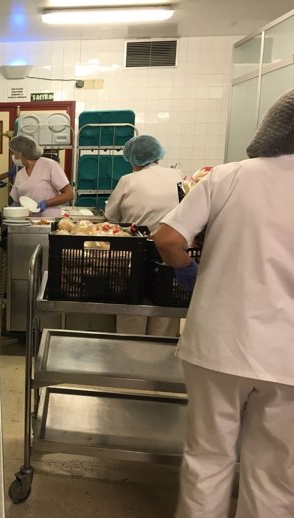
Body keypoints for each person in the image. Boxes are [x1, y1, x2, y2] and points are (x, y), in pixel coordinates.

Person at [153, 88, 294, 518]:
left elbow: (169, 237)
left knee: (208, 456)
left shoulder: (230, 176)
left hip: (219, 342)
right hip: (287, 357)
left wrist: (187, 272)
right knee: (275, 469)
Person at [105, 135, 183, 336]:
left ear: (132, 159)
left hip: (134, 251)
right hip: (170, 251)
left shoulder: (128, 180)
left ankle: (129, 353)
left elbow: (111, 217)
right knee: (165, 306)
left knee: (132, 303)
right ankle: (160, 355)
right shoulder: (177, 175)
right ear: (158, 155)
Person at [8, 134, 74, 218]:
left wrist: (47, 203)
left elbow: (69, 194)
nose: (13, 157)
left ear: (22, 153)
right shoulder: (20, 174)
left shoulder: (49, 165)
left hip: (49, 220)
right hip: (27, 221)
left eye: (14, 153)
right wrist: (14, 207)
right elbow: (16, 199)